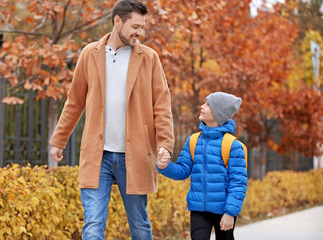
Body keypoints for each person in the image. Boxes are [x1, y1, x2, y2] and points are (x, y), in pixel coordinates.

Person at [49, 0, 174, 239]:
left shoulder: (149, 58)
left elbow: (162, 105)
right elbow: (74, 101)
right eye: (135, 26)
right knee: (93, 224)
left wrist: (165, 145)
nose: (140, 32)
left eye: (142, 27)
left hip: (135, 155)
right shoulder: (90, 54)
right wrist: (59, 140)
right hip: (98, 155)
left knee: (139, 225)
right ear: (118, 21)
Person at [157, 92, 247, 240]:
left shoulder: (233, 145)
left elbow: (238, 182)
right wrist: (164, 166)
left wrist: (230, 213)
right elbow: (182, 171)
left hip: (224, 209)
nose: (202, 106)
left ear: (219, 113)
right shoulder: (193, 141)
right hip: (198, 209)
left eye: (208, 104)